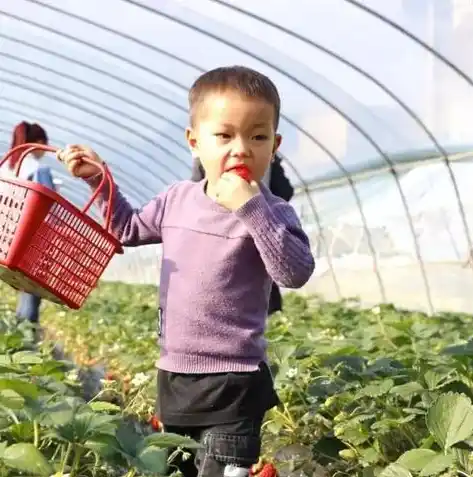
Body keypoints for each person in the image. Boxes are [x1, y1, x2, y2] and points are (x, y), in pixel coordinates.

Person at [58, 65, 315, 477]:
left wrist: (251, 210)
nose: (242, 148)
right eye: (224, 135)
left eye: (258, 136)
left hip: (236, 382)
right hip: (174, 376)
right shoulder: (177, 200)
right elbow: (126, 228)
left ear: (275, 145)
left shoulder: (272, 212)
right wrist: (98, 180)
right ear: (194, 142)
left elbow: (294, 272)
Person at [190, 152, 294, 315]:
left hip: (229, 234)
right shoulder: (263, 158)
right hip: (257, 230)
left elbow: (197, 201)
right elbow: (285, 191)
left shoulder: (208, 158)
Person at [5, 121, 55, 328]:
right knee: (31, 292)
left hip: (8, 239)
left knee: (21, 288)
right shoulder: (38, 168)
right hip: (32, 240)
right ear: (40, 143)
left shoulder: (8, 167)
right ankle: (26, 340)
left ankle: (16, 337)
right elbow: (50, 203)